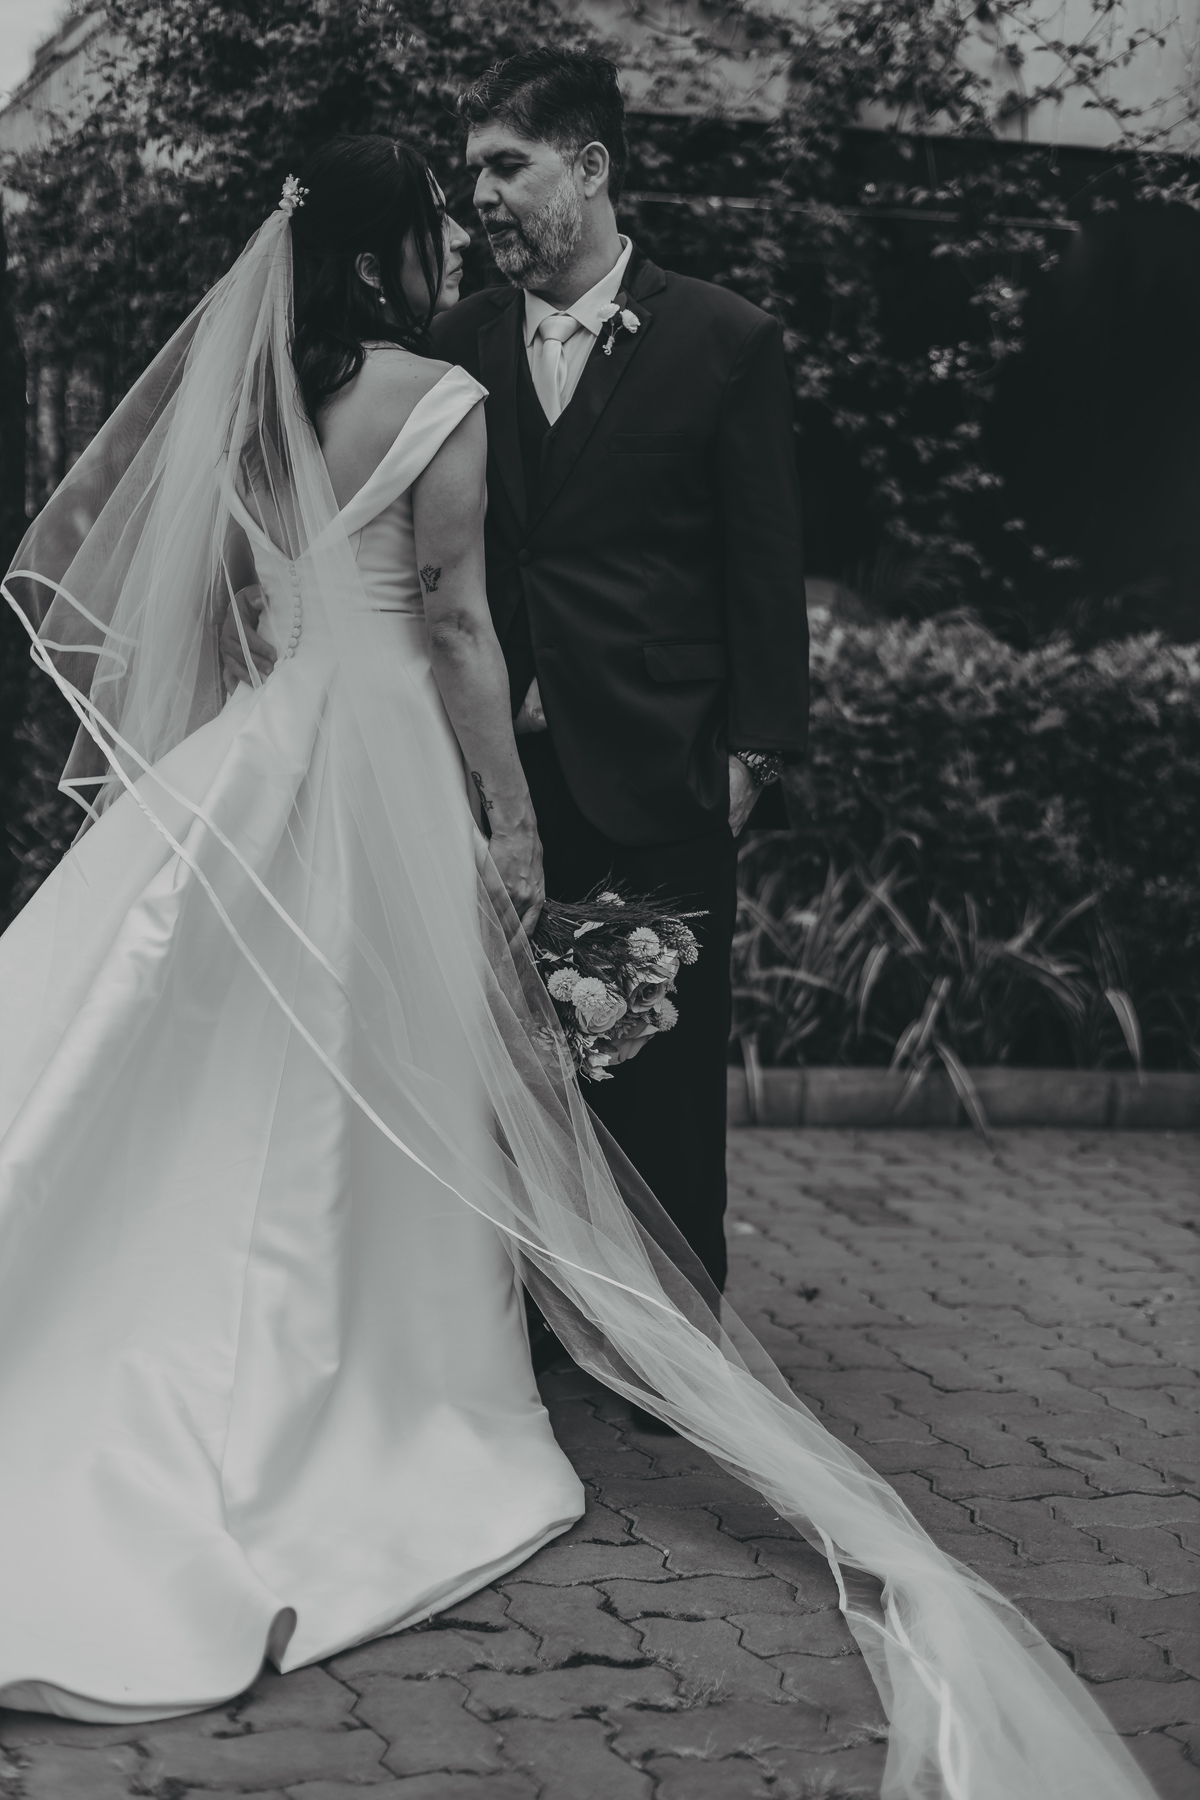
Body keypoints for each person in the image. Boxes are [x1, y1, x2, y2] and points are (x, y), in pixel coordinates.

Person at [0, 134, 1155, 1800]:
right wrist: (513, 823)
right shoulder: (438, 398)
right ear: (386, 258)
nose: (460, 239)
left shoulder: (250, 404)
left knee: (210, 1047)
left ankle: (140, 1314)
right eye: (437, 219)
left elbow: (235, 611)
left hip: (260, 756)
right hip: (385, 763)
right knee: (370, 1064)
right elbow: (462, 630)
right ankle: (358, 1370)